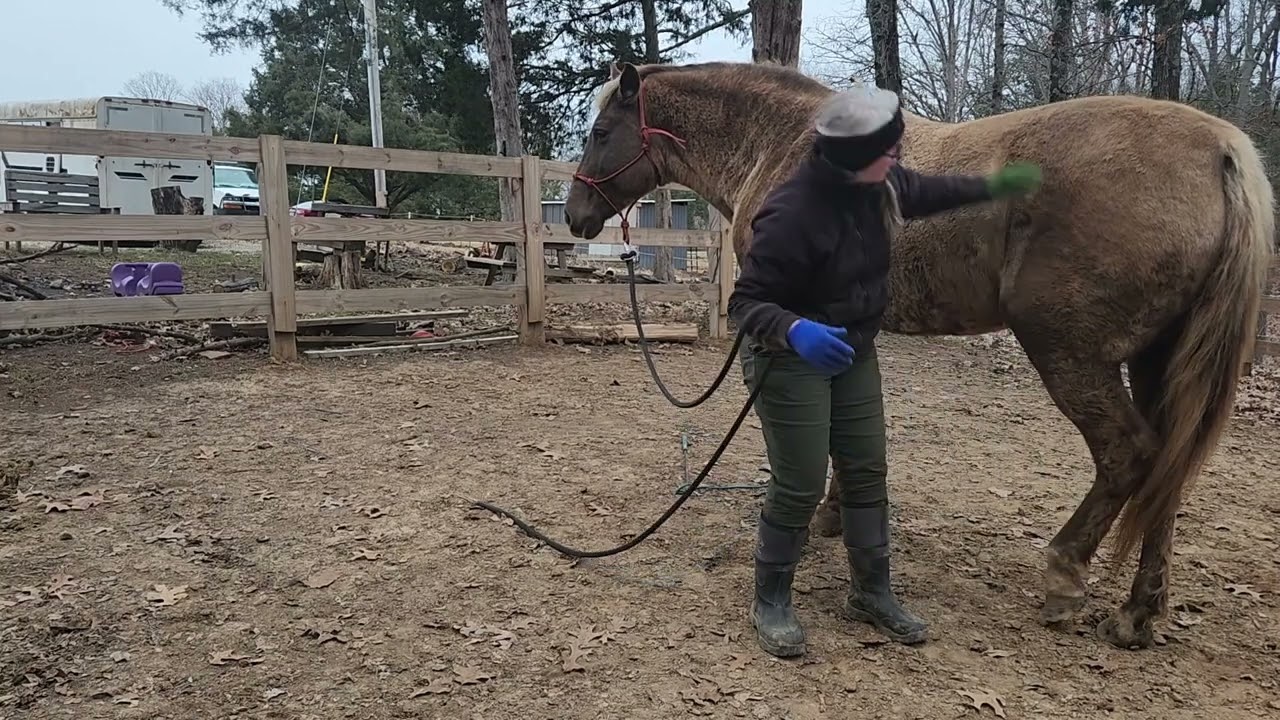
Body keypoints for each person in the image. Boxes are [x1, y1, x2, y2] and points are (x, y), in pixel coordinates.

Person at [728, 84, 1042, 658]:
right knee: (799, 484)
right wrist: (796, 330)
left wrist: (994, 185)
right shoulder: (791, 213)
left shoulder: (881, 186)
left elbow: (930, 189)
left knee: (866, 470)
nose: (900, 157)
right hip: (788, 357)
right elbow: (745, 302)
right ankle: (770, 599)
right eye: (889, 149)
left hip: (851, 350)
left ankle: (871, 593)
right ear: (853, 158)